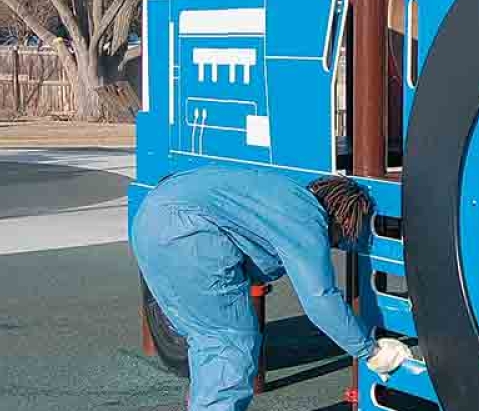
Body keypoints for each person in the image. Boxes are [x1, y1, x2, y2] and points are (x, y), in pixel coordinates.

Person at [132, 167, 414, 411]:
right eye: (342, 239)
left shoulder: (283, 195)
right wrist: (370, 350)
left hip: (150, 221)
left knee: (208, 340)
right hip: (187, 233)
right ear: (343, 218)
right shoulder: (306, 217)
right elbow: (319, 299)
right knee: (230, 342)